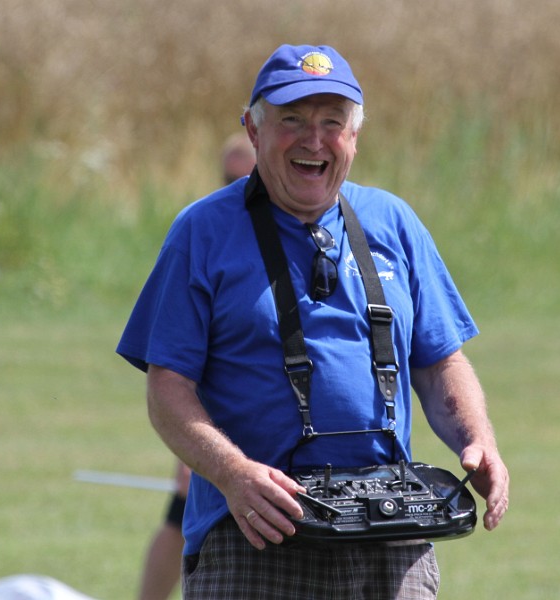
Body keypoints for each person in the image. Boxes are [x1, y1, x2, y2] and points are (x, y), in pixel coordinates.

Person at [118, 44, 509, 599]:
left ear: (355, 136)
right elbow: (167, 390)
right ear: (253, 131)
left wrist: (477, 440)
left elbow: (439, 362)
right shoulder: (201, 232)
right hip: (257, 532)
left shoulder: (394, 222)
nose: (314, 140)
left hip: (391, 533)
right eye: (293, 121)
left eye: (332, 122)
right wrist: (233, 474)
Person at [136, 132, 256, 600]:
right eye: (228, 176)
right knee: (178, 515)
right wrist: (189, 454)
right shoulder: (207, 228)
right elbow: (179, 366)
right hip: (214, 427)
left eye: (245, 174)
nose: (236, 184)